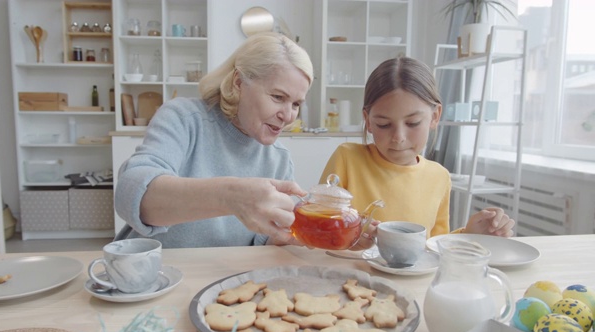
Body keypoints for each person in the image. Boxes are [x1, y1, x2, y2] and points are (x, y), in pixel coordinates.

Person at [114, 32, 313, 248]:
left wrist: (302, 236)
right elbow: (132, 195)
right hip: (153, 274)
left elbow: (263, 242)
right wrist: (231, 197)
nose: (289, 115)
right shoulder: (184, 118)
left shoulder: (279, 159)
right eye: (278, 97)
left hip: (221, 277)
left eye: (296, 104)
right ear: (238, 82)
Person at [319, 57, 515, 245]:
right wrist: (351, 236)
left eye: (413, 123)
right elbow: (318, 229)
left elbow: (435, 245)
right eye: (384, 124)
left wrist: (470, 235)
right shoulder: (347, 158)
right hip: (351, 276)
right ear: (368, 121)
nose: (399, 137)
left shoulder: (439, 176)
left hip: (412, 280)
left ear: (435, 116)